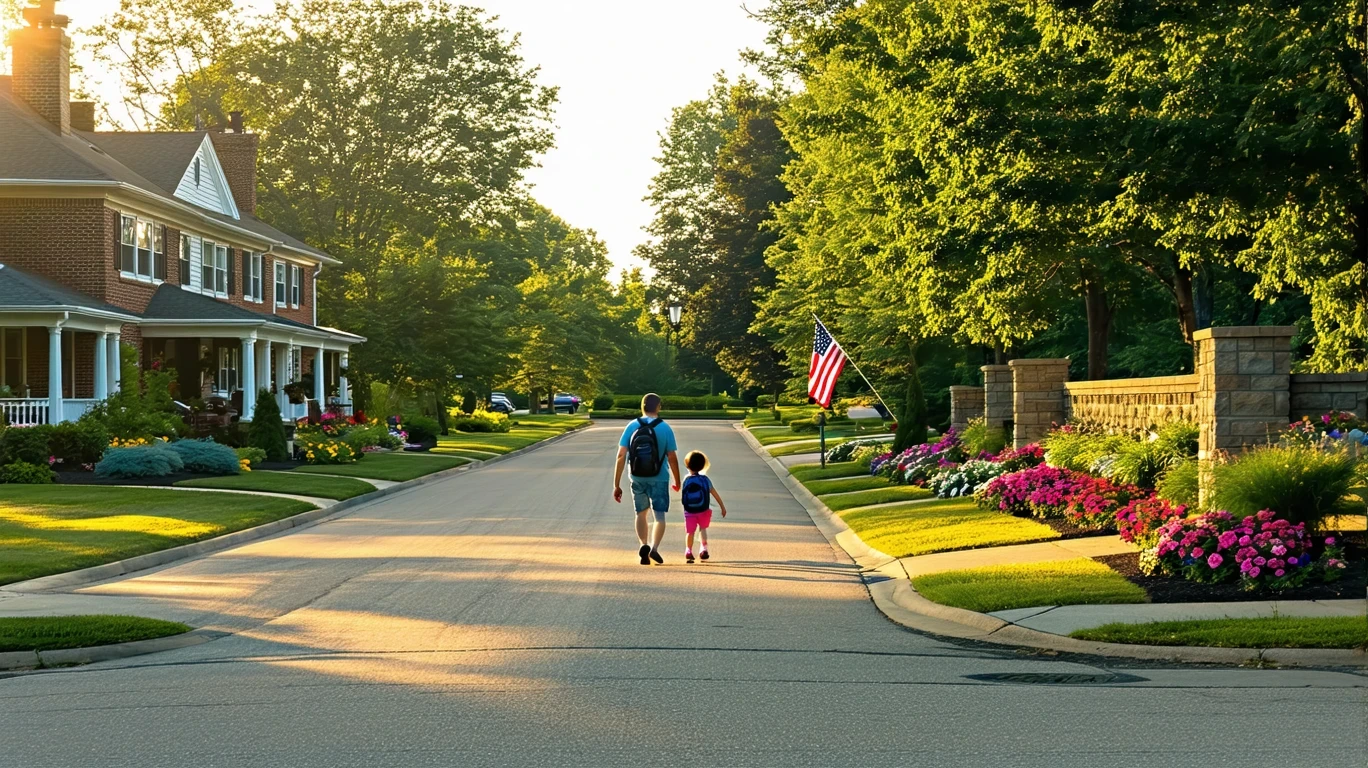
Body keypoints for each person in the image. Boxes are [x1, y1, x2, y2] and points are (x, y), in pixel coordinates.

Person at [612, 393, 681, 565]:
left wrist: (616, 484)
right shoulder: (665, 428)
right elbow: (672, 456)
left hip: (636, 476)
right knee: (659, 516)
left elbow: (621, 456)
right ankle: (654, 547)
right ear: (659, 407)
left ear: (642, 407)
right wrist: (677, 480)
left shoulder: (632, 425)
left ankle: (643, 544)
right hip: (659, 477)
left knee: (640, 513)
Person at [679, 450, 727, 564]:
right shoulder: (705, 480)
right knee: (702, 528)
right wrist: (722, 507)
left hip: (689, 511)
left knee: (690, 532)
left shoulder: (686, 480)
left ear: (687, 465)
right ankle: (704, 548)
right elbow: (714, 493)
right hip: (703, 510)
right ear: (702, 465)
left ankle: (688, 550)